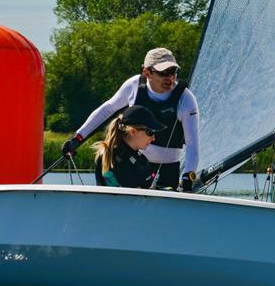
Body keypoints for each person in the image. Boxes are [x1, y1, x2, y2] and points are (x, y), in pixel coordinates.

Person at [61, 47, 199, 192]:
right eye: (163, 73)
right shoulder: (134, 86)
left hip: (169, 168)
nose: (170, 78)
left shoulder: (186, 99)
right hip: (134, 165)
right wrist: (78, 138)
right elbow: (107, 109)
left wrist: (187, 177)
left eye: (173, 72)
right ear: (147, 72)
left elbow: (193, 144)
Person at [92, 105, 165, 188]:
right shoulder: (117, 159)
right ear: (133, 131)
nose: (153, 138)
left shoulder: (138, 157)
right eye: (150, 132)